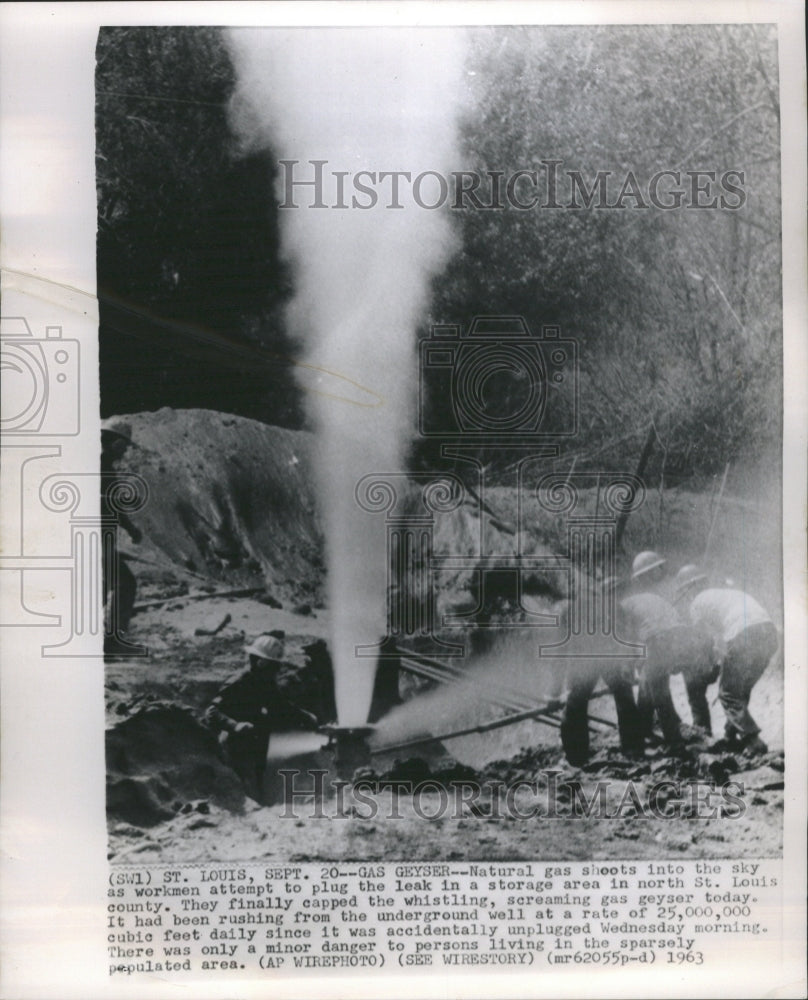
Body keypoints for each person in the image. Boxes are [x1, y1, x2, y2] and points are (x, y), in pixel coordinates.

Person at [205, 631, 319, 801]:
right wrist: (234, 725)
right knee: (246, 789)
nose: (278, 669)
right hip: (236, 747)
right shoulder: (239, 682)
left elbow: (281, 706)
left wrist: (306, 717)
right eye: (275, 665)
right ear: (262, 662)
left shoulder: (266, 683)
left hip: (257, 747)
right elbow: (211, 712)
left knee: (259, 786)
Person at [674, 565, 777, 754]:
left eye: (684, 592)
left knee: (728, 693)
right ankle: (731, 736)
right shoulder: (725, 594)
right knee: (740, 689)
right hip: (768, 633)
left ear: (689, 588)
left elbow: (703, 640)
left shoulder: (697, 602)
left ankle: (753, 740)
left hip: (744, 634)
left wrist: (707, 668)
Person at [619, 583, 715, 749]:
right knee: (648, 681)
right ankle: (645, 731)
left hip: (658, 638)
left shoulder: (620, 607)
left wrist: (627, 666)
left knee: (659, 691)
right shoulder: (645, 598)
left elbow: (627, 640)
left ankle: (674, 742)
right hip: (679, 637)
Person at [559, 578, 644, 767]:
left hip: (585, 661)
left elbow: (563, 647)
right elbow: (625, 637)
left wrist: (558, 688)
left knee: (575, 706)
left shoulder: (569, 610)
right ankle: (634, 750)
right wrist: (627, 665)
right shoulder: (613, 606)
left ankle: (576, 758)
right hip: (610, 657)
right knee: (625, 699)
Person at [101, 422, 141, 655]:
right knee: (125, 583)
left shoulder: (100, 465)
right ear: (116, 442)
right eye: (124, 446)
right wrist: (130, 529)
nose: (125, 452)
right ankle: (112, 642)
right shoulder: (101, 467)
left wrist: (129, 528)